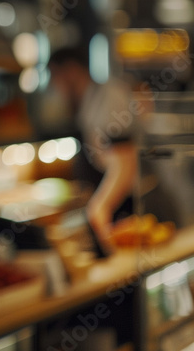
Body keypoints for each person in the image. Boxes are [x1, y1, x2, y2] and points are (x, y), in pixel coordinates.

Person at [47, 47, 148, 245]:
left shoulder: (110, 97)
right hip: (121, 202)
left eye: (54, 76)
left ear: (71, 71)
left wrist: (100, 206)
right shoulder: (89, 101)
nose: (53, 85)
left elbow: (125, 164)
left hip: (138, 203)